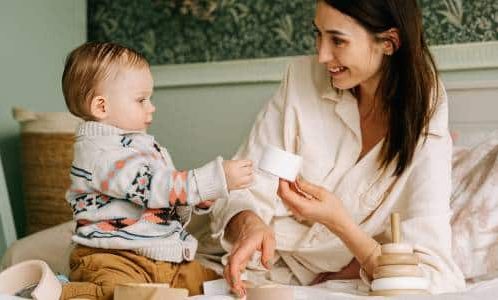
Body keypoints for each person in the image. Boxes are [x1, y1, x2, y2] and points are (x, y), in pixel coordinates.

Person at [207, 0, 466, 297]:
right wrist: (248, 225)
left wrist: (338, 223)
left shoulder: (426, 112)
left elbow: (432, 273)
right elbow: (240, 185)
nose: (321, 55)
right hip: (245, 265)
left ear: (389, 43)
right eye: (318, 34)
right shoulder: (301, 80)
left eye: (338, 40)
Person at [59, 42, 253, 299]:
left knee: (214, 284)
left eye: (150, 98)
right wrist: (211, 179)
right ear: (101, 107)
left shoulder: (145, 146)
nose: (151, 107)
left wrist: (196, 199)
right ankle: (66, 291)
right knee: (116, 291)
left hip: (166, 258)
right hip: (116, 257)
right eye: (141, 100)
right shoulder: (99, 153)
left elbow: (163, 201)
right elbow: (151, 186)